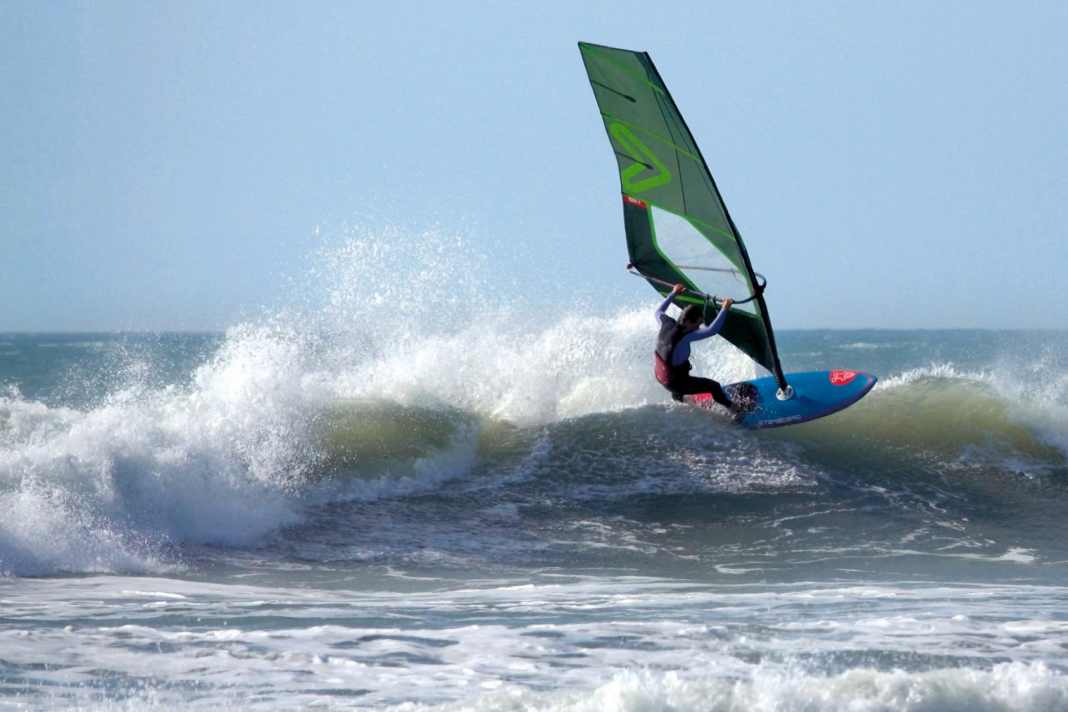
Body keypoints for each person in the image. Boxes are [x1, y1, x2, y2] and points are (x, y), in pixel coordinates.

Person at [654, 283, 737, 409]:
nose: (698, 328)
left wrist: (674, 293)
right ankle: (733, 409)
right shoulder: (685, 335)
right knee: (714, 386)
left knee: (677, 373)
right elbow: (712, 330)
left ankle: (679, 397)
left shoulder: (666, 323)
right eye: (697, 325)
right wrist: (725, 308)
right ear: (687, 322)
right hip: (675, 383)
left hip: (662, 377)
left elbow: (658, 311)